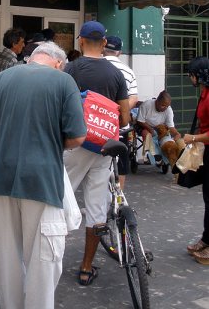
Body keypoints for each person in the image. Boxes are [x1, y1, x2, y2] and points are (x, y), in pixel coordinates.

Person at [0, 42, 86, 309]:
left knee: (7, 257)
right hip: (42, 181)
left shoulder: (2, 78)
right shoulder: (63, 81)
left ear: (32, 58)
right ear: (58, 63)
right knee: (44, 259)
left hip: (3, 179)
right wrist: (52, 143)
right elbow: (77, 137)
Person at [64, 21, 129, 286]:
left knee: (59, 200)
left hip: (74, 144)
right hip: (104, 148)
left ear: (80, 41)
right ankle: (86, 267)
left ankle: (48, 260)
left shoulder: (70, 69)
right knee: (96, 209)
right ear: (103, 43)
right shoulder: (116, 74)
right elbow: (125, 117)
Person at [103, 35, 138, 187]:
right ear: (119, 52)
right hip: (120, 127)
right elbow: (134, 99)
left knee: (95, 165)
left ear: (103, 48)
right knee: (121, 164)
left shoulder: (95, 66)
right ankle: (119, 195)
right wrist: (117, 112)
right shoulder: (128, 71)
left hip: (96, 126)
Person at [184, 57, 209, 265]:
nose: (190, 77)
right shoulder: (204, 92)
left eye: (192, 74)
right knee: (208, 198)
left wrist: (193, 138)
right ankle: (207, 239)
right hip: (207, 151)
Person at [136, 90, 182, 163]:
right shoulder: (146, 105)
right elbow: (140, 121)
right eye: (163, 105)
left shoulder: (168, 110)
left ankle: (164, 157)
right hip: (145, 125)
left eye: (167, 106)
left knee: (166, 137)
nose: (165, 108)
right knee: (146, 133)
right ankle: (152, 155)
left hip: (160, 128)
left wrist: (176, 134)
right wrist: (150, 129)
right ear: (157, 101)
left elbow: (170, 127)